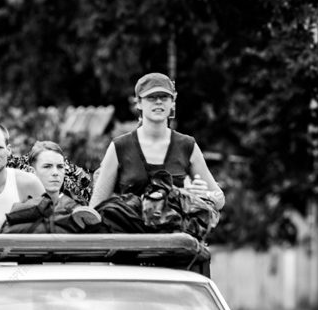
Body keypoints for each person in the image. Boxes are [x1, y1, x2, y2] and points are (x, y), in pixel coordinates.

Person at [89, 73, 225, 211]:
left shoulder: (187, 146)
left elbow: (219, 199)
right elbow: (96, 205)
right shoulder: (120, 147)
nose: (158, 101)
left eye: (164, 97)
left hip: (176, 230)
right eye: (151, 97)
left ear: (172, 102)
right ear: (139, 103)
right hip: (128, 230)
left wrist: (204, 195)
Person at [28, 140, 101, 228]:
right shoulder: (19, 207)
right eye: (47, 166)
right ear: (32, 171)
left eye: (60, 167)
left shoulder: (78, 209)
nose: (55, 173)